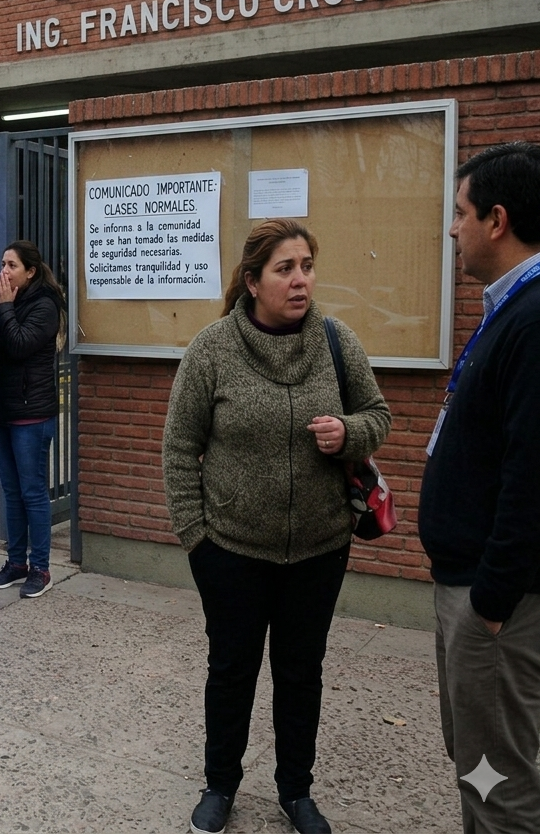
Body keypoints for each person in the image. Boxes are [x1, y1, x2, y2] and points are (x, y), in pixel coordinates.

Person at [161, 218, 391, 834]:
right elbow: (180, 448)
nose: (300, 280)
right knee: (231, 670)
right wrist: (197, 540)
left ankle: (297, 790)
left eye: (307, 267)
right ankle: (221, 784)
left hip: (319, 549)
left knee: (300, 673)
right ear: (254, 280)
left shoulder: (337, 342)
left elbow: (378, 414)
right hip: (231, 550)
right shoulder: (212, 349)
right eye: (285, 269)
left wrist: (351, 433)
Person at [419, 142, 540, 834]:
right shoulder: (511, 307)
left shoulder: (532, 317)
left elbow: (532, 476)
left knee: (499, 786)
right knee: (478, 765)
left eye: (459, 213)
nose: (451, 228)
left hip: (498, 602)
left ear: (497, 220)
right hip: (479, 591)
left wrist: (491, 602)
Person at [0, 240, 65, 599]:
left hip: (31, 413)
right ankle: (16, 563)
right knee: (11, 491)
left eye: (12, 265)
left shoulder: (44, 305)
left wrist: (3, 308)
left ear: (30, 272)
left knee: (33, 492)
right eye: (3, 264)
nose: (4, 271)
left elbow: (17, 345)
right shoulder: (6, 301)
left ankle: (41, 568)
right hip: (0, 410)